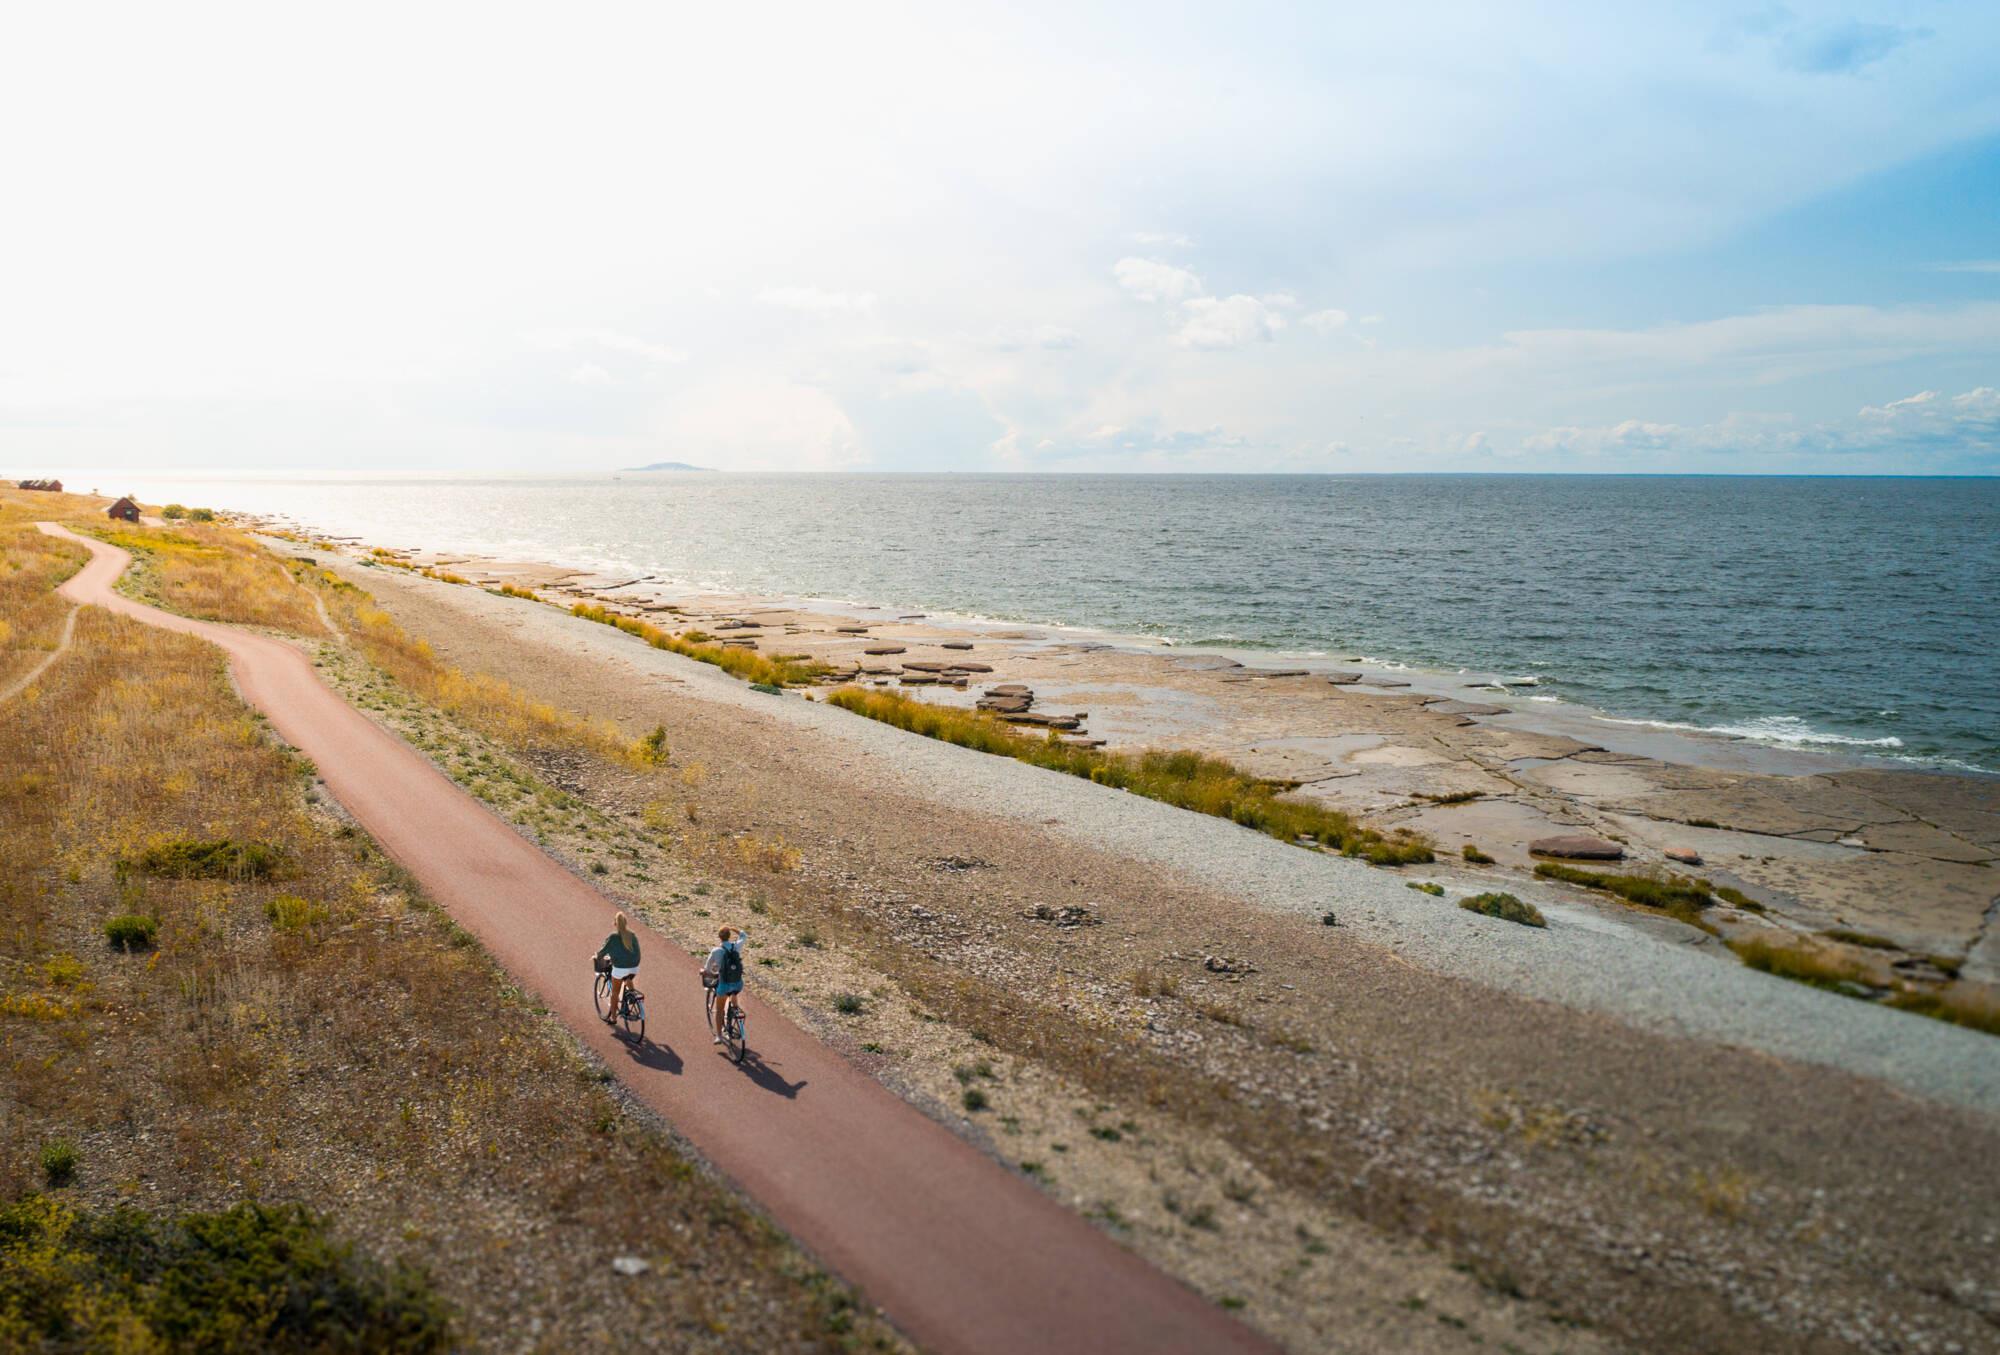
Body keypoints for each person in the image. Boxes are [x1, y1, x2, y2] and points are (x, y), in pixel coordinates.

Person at [703, 926, 746, 1045]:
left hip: (724, 985)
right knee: (733, 993)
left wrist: (703, 972)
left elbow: (708, 969)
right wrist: (733, 928)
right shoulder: (736, 946)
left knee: (720, 1010)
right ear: (729, 936)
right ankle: (735, 1010)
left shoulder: (716, 951)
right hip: (738, 984)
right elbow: (744, 935)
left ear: (719, 937)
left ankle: (719, 1036)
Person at [596, 911, 641, 1024]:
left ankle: (613, 1018)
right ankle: (631, 995)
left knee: (615, 992)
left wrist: (596, 956)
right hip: (634, 967)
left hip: (620, 968)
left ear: (615, 924)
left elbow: (603, 951)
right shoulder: (632, 935)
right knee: (627, 978)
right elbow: (637, 952)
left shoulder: (613, 937)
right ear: (625, 923)